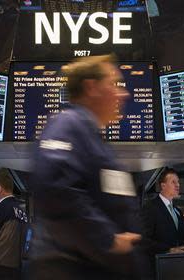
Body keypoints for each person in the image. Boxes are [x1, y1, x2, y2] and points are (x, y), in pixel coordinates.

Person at [30, 54, 149, 279]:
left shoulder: (90, 134)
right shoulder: (67, 124)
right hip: (75, 269)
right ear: (91, 87)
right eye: (114, 84)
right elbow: (55, 187)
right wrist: (107, 239)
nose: (124, 93)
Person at [141, 168, 184, 256]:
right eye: (173, 182)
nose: (177, 185)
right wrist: (168, 250)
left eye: (178, 182)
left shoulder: (177, 211)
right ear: (163, 186)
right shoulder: (150, 207)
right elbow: (143, 239)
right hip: (158, 264)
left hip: (176, 263)